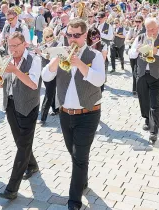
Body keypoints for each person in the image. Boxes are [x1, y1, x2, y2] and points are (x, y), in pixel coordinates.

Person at [42, 18, 105, 210]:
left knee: (79, 156)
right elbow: (45, 76)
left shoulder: (94, 55)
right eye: (69, 35)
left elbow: (99, 80)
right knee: (75, 154)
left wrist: (80, 64)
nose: (72, 39)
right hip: (65, 113)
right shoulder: (61, 53)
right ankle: (82, 180)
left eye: (76, 35)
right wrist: (55, 61)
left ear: (85, 35)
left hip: (88, 113)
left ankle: (74, 201)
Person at [0, 32, 41, 200]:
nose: (12, 49)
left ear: (24, 44)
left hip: (28, 106)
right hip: (10, 105)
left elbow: (33, 84)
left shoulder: (34, 61)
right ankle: (32, 165)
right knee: (20, 141)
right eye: (10, 46)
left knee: (22, 146)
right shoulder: (8, 58)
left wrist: (14, 70)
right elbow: (6, 82)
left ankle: (12, 188)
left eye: (16, 45)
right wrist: (0, 80)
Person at [128, 18, 159, 143]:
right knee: (143, 99)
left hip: (158, 75)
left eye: (153, 29)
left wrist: (157, 51)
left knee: (155, 102)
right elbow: (130, 54)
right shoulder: (140, 37)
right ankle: (147, 119)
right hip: (142, 73)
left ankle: (154, 131)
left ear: (158, 27)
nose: (151, 32)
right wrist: (136, 50)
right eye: (148, 29)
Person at [35, 27, 59, 124]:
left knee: (49, 93)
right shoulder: (42, 45)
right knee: (51, 91)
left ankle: (43, 117)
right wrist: (36, 50)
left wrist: (40, 53)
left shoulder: (57, 44)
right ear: (44, 37)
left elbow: (51, 57)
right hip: (44, 71)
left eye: (51, 35)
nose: (50, 38)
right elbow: (37, 55)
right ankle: (56, 109)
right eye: (47, 36)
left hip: (54, 71)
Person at [126, 15, 145, 95]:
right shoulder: (132, 30)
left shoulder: (144, 30)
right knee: (134, 71)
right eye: (136, 22)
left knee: (139, 71)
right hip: (133, 52)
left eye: (139, 22)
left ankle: (139, 88)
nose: (137, 23)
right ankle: (135, 88)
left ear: (142, 22)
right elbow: (126, 40)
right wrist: (131, 40)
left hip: (141, 53)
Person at [87, 27, 108, 93]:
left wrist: (94, 52)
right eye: (93, 37)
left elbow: (103, 59)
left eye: (98, 36)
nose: (96, 39)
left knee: (99, 89)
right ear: (90, 38)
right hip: (88, 67)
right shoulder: (86, 45)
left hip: (99, 67)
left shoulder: (103, 44)